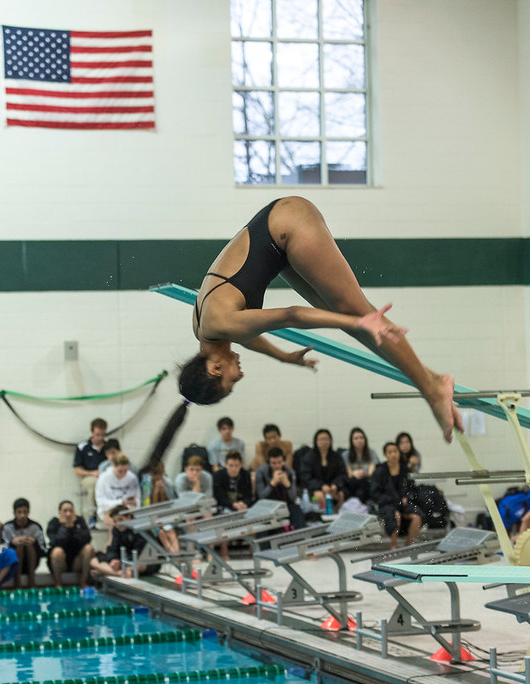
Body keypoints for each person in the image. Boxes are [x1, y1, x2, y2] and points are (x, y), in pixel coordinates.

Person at [178, 197, 460, 443]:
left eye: (231, 381)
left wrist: (355, 323)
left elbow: (292, 315)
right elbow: (248, 336)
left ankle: (430, 388)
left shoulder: (221, 324)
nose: (239, 375)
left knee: (355, 313)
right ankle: (431, 379)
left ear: (215, 368)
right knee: (340, 315)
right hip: (275, 237)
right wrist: (283, 357)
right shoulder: (205, 330)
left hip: (288, 224)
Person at [371, 442, 422, 549]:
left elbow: (412, 488)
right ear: (385, 455)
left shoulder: (405, 470)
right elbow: (375, 493)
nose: (393, 454)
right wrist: (393, 500)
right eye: (390, 452)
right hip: (387, 503)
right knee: (395, 515)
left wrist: (407, 497)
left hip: (403, 503)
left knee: (417, 516)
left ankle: (408, 545)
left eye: (395, 451)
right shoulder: (380, 471)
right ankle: (393, 545)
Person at [89, 505, 159, 579]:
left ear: (129, 517)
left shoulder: (140, 528)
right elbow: (113, 549)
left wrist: (124, 563)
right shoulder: (116, 530)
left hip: (145, 561)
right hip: (126, 561)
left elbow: (141, 553)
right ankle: (119, 573)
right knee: (93, 561)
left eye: (121, 520)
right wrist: (114, 560)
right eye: (115, 521)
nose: (118, 524)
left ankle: (108, 572)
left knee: (138, 566)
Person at [46, 500, 95, 587]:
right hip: (60, 562)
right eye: (65, 511)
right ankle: (58, 584)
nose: (68, 514)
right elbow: (55, 542)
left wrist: (73, 528)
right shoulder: (54, 523)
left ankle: (83, 582)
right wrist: (64, 527)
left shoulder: (79, 521)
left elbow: (87, 539)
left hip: (76, 561)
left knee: (89, 548)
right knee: (57, 551)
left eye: (70, 511)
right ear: (59, 512)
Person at [1, 498, 47, 589]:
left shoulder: (35, 527)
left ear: (28, 512)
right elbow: (2, 551)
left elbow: (44, 550)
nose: (22, 515)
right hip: (14, 564)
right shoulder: (7, 527)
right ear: (14, 512)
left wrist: (35, 543)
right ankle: (18, 583)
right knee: (19, 546)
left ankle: (32, 581)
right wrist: (12, 543)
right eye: (19, 512)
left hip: (32, 563)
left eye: (25, 512)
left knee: (29, 545)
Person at [255, 447, 305, 529]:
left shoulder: (290, 472)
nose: (277, 466)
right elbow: (261, 496)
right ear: (268, 463)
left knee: (296, 510)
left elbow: (294, 497)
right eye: (273, 463)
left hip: (285, 505)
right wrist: (272, 483)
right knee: (263, 518)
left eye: (280, 462)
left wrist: (288, 485)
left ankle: (301, 539)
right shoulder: (261, 472)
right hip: (267, 506)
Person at [299, 428, 347, 513]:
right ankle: (321, 516)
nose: (324, 442)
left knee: (341, 495)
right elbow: (306, 477)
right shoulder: (308, 457)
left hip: (332, 489)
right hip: (314, 490)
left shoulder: (336, 456)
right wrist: (321, 486)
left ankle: (336, 514)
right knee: (320, 496)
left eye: (326, 439)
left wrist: (335, 485)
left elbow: (342, 474)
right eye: (321, 439)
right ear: (316, 441)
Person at [74, 418, 108, 523]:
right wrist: (92, 473)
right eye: (97, 435)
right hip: (89, 477)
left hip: (105, 477)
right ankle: (92, 516)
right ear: (92, 432)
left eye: (103, 435)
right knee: (94, 484)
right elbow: (77, 471)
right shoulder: (83, 447)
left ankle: (108, 515)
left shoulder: (108, 447)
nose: (100, 438)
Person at [95, 453, 140, 529]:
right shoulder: (104, 478)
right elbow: (101, 502)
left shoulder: (132, 477)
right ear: (114, 467)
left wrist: (135, 502)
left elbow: (138, 498)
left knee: (126, 517)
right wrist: (120, 502)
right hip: (110, 510)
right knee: (117, 519)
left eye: (125, 471)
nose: (123, 474)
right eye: (120, 471)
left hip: (127, 510)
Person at [342, 427, 378, 504]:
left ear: (365, 439)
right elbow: (349, 473)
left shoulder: (372, 453)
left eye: (361, 438)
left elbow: (371, 472)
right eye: (356, 438)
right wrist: (354, 473)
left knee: (365, 484)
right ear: (352, 441)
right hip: (353, 482)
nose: (359, 440)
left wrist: (363, 473)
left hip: (367, 481)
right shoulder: (345, 455)